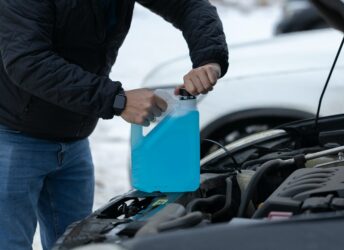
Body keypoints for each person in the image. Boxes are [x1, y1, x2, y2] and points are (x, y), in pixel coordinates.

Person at [0, 0, 229, 249]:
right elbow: (28, 62)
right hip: (13, 138)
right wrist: (116, 100)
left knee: (81, 244)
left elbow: (190, 6)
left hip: (74, 137)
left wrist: (209, 59)